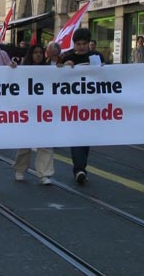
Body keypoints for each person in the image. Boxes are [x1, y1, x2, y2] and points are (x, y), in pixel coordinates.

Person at [60, 28, 102, 184]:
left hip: (91, 106)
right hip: (73, 106)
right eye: (79, 44)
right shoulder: (67, 58)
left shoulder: (96, 57)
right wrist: (65, 66)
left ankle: (81, 167)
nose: (82, 47)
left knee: (86, 139)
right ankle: (79, 169)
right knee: (77, 137)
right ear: (74, 44)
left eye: (85, 43)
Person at [13, 44, 55, 185]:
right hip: (28, 111)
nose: (38, 55)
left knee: (46, 143)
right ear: (30, 54)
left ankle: (45, 173)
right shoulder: (22, 70)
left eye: (40, 52)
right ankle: (20, 169)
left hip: (44, 111)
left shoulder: (50, 70)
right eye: (35, 52)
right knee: (25, 142)